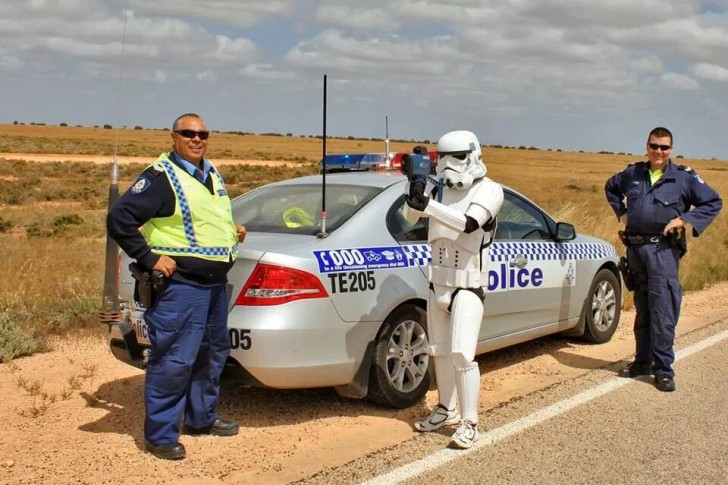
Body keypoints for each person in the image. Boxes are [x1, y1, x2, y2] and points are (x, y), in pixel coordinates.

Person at [107, 113, 247, 460]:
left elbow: (201, 221)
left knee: (211, 354)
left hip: (214, 286)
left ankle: (201, 418)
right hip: (181, 287)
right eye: (188, 134)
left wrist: (233, 231)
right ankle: (161, 435)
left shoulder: (209, 173)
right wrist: (149, 257)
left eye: (202, 134)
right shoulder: (161, 179)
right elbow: (119, 218)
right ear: (174, 137)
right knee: (174, 360)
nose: (197, 139)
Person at [402, 130, 503, 449]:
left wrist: (428, 204)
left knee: (461, 354)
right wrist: (414, 187)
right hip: (438, 282)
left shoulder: (490, 190)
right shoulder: (438, 190)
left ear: (473, 155)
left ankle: (469, 421)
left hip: (468, 285)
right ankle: (446, 408)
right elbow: (410, 216)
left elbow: (468, 224)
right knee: (440, 353)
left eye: (456, 158)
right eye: (441, 159)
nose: (448, 166)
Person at [605, 126, 721, 392]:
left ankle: (663, 370)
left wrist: (685, 219)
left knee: (663, 311)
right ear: (647, 146)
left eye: (664, 147)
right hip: (635, 252)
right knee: (642, 310)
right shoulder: (633, 173)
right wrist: (621, 212)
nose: (659, 151)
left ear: (671, 149)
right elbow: (610, 188)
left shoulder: (684, 178)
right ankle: (641, 363)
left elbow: (713, 202)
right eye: (654, 146)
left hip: (663, 253)